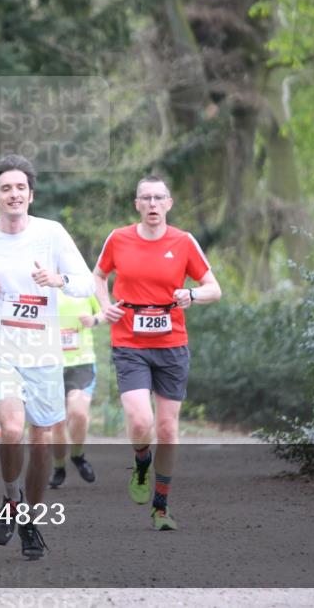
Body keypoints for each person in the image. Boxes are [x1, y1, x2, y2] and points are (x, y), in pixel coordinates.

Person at [0, 154, 94, 559]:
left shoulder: (52, 234)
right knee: (13, 429)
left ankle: (29, 519)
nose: (13, 194)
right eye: (5, 189)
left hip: (44, 353)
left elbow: (85, 283)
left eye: (20, 188)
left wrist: (59, 280)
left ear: (31, 195)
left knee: (42, 439)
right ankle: (12, 499)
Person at [93, 175, 221, 530]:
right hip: (130, 343)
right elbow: (98, 276)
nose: (152, 204)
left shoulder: (183, 242)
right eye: (145, 198)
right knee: (140, 421)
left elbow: (214, 289)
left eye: (158, 197)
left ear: (169, 203)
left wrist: (192, 295)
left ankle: (161, 507)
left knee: (166, 427)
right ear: (137, 204)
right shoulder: (119, 238)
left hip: (172, 345)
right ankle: (141, 463)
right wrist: (106, 308)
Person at [49, 289, 102, 488]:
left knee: (78, 413)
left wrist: (94, 320)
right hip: (49, 364)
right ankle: (59, 467)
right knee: (57, 423)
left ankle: (78, 455)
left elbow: (104, 312)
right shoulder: (41, 288)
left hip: (82, 363)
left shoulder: (84, 287)